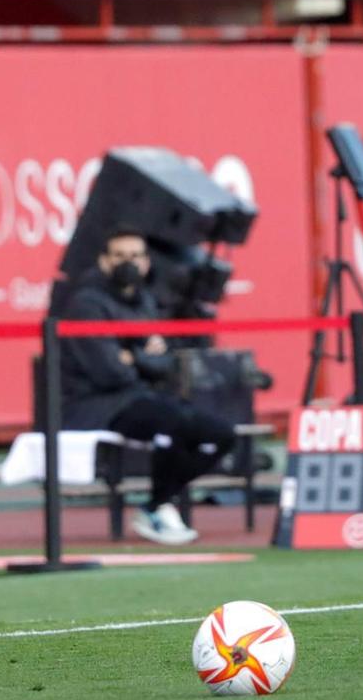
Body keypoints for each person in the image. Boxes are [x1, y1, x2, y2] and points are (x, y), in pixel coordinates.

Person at [60, 227, 238, 545]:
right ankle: (160, 509)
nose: (128, 263)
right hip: (100, 406)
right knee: (172, 426)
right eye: (119, 256)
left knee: (221, 433)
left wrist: (133, 357)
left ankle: (156, 504)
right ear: (103, 261)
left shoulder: (144, 301)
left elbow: (166, 363)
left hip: (142, 396)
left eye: (135, 256)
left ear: (146, 262)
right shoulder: (86, 304)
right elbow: (109, 372)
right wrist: (144, 358)